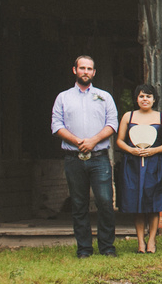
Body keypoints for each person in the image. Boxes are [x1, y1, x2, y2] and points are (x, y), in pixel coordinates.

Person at [51, 55, 119, 258]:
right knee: (79, 204)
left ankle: (107, 248)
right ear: (75, 70)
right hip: (73, 157)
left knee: (105, 201)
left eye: (89, 69)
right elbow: (56, 125)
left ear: (94, 72)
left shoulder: (104, 96)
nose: (86, 72)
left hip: (99, 157)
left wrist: (92, 141)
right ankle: (84, 249)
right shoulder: (63, 97)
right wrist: (77, 141)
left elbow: (112, 124)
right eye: (82, 68)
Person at [115, 82, 162, 254]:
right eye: (141, 96)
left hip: (155, 164)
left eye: (148, 96)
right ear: (137, 99)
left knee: (153, 203)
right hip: (132, 164)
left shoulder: (161, 117)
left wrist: (155, 150)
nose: (145, 99)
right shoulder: (128, 116)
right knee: (137, 203)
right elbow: (119, 140)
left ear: (154, 99)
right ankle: (140, 242)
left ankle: (152, 241)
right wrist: (131, 150)